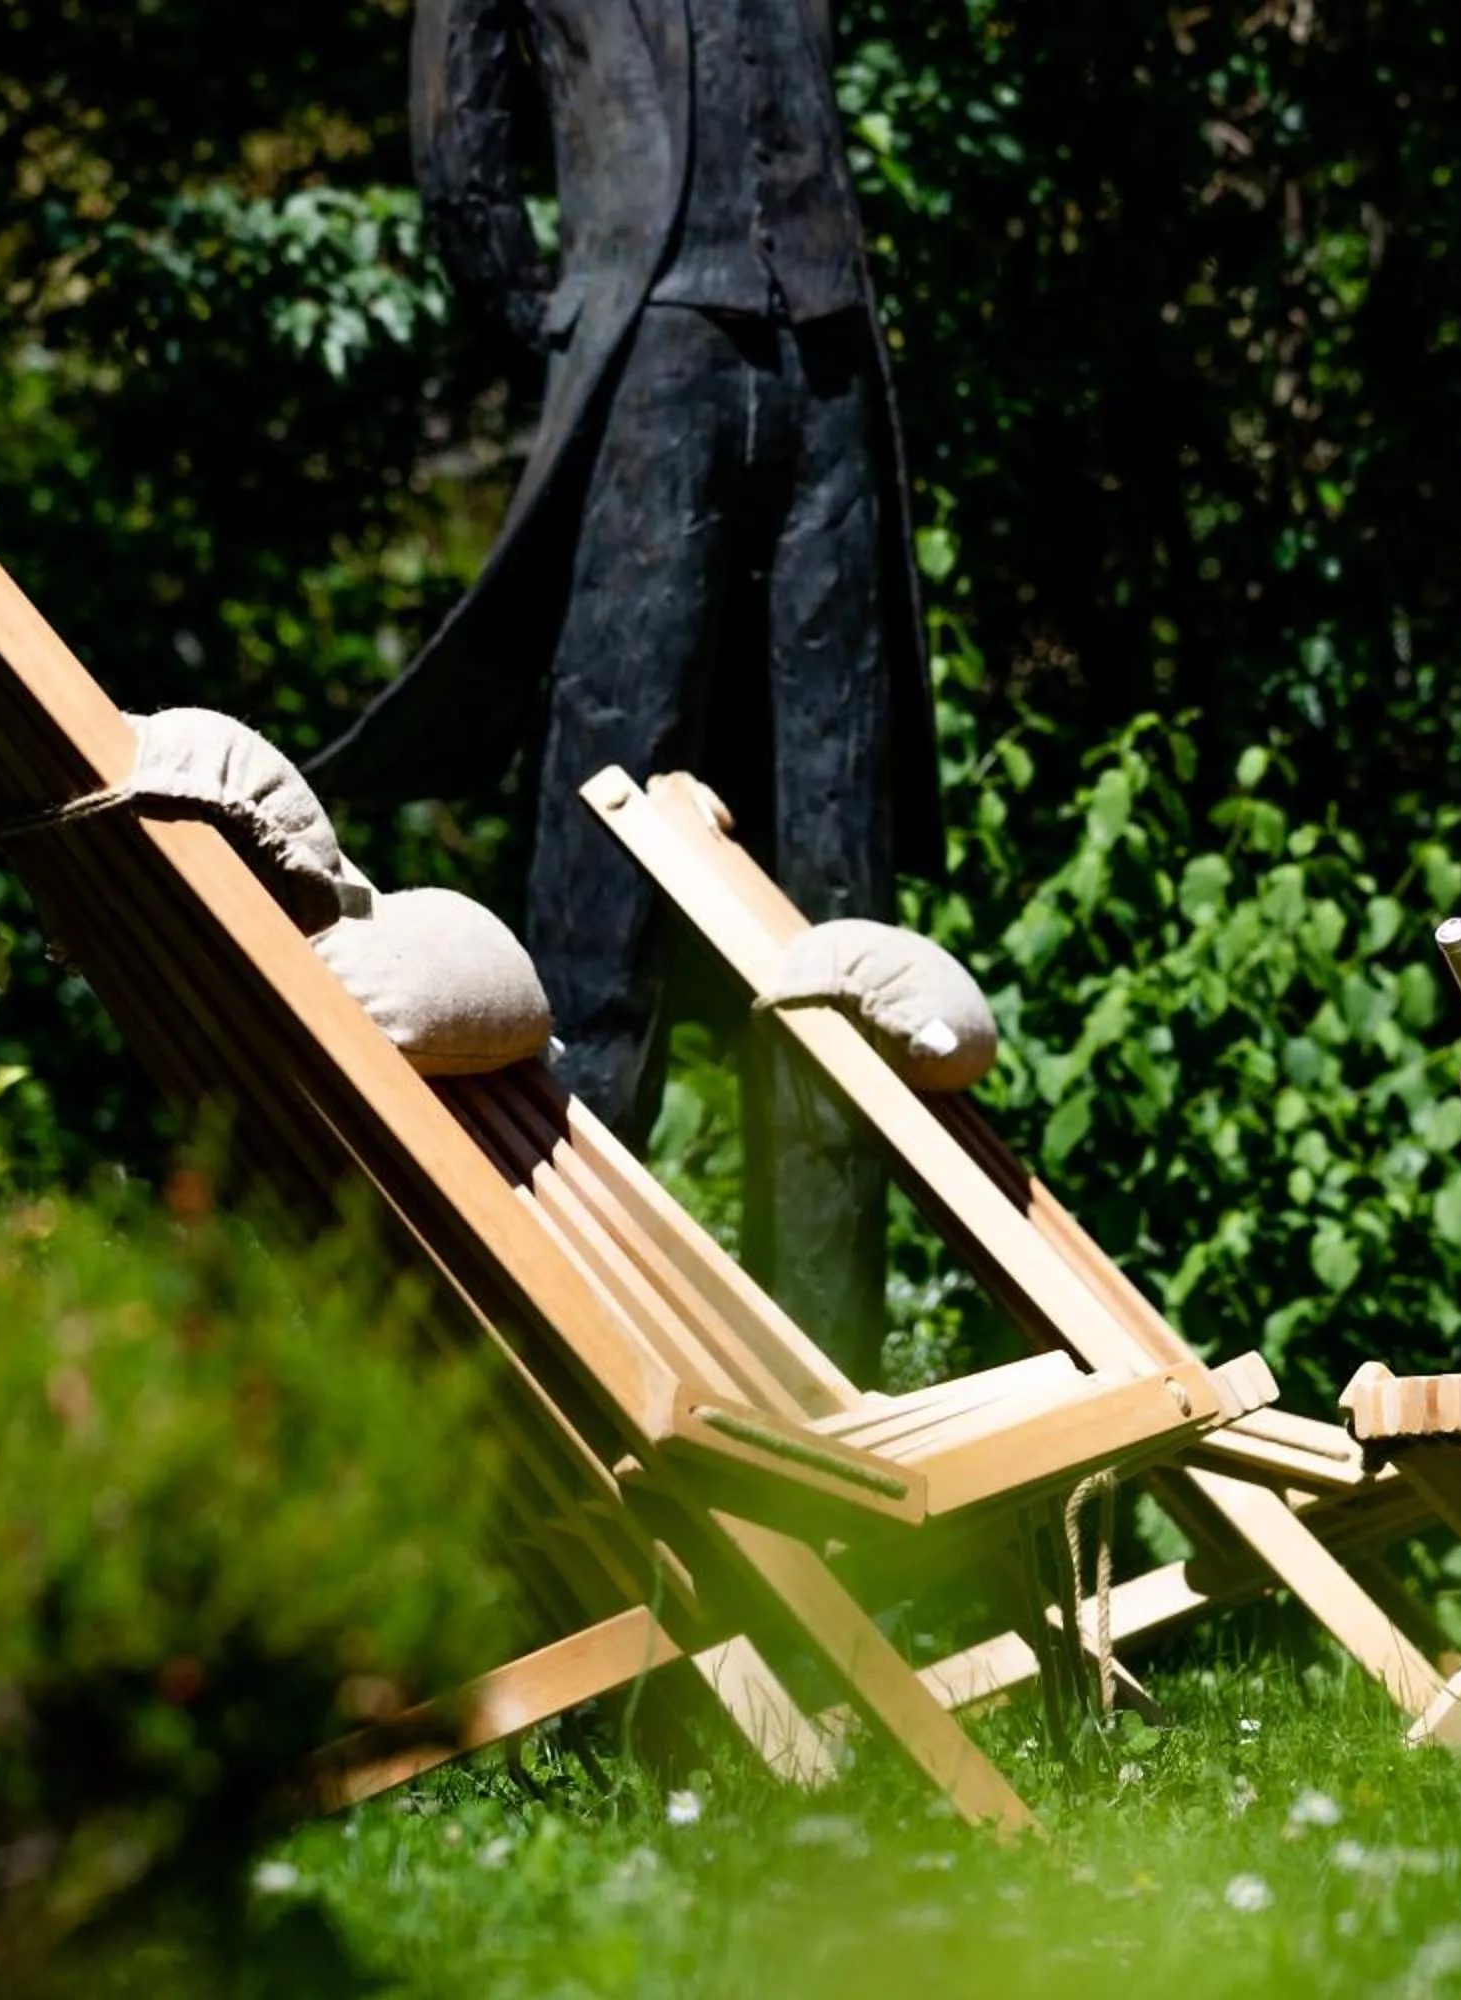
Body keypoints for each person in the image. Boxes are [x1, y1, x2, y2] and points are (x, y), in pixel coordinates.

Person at [307, 0, 941, 1375]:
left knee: (839, 921)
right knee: (603, 888)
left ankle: (837, 1402)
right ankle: (568, 1363)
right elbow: (458, 125)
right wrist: (553, 317)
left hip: (831, 356)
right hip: (652, 344)